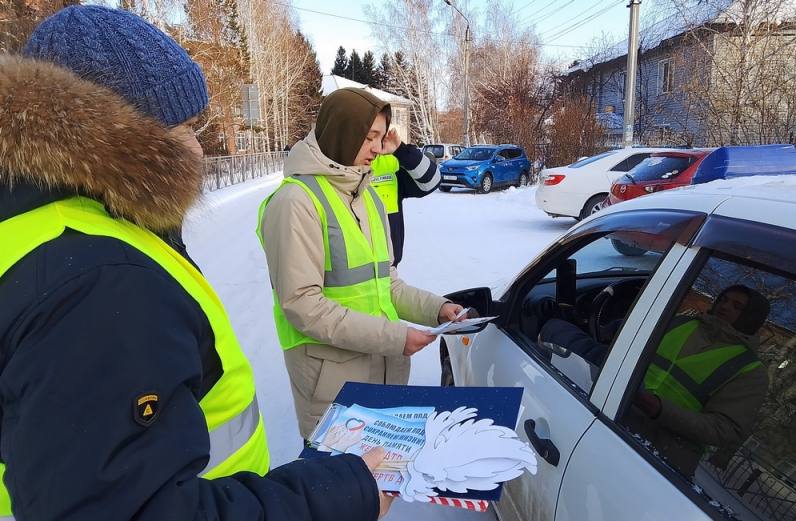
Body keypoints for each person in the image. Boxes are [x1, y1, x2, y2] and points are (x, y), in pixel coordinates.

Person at [0, 6, 388, 520]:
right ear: (124, 139)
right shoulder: (99, 282)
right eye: (185, 128)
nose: (198, 149)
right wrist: (333, 496)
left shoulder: (45, 230)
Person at [257, 87, 464, 440]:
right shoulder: (295, 202)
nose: (377, 148)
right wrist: (396, 337)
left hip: (385, 372)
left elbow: (389, 283)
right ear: (342, 133)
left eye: (382, 138)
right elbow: (303, 306)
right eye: (369, 137)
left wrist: (438, 309)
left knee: (383, 484)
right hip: (334, 384)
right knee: (342, 491)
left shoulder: (368, 199)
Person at [540, 284, 770, 476]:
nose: (726, 307)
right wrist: (614, 329)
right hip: (611, 413)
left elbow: (724, 430)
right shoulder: (681, 322)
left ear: (751, 318)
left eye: (737, 306)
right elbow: (631, 342)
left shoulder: (750, 370)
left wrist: (658, 409)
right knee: (557, 329)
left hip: (657, 455)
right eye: (724, 300)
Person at [369, 129, 441, 266]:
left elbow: (432, 180)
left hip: (389, 272)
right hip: (347, 282)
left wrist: (401, 150)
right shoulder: (332, 166)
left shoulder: (389, 162)